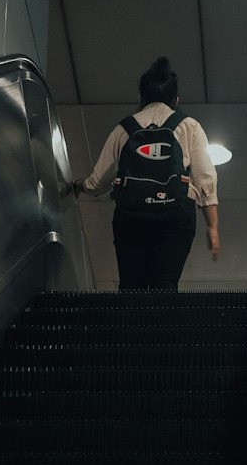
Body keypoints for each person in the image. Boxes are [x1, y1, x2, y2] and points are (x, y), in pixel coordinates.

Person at [75, 55, 219, 290]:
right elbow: (205, 179)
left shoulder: (124, 129)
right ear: (176, 99)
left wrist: (79, 185)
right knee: (165, 284)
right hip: (176, 216)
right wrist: (212, 226)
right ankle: (162, 323)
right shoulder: (189, 126)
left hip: (131, 215)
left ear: (141, 98)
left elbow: (98, 181)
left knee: (131, 287)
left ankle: (130, 325)